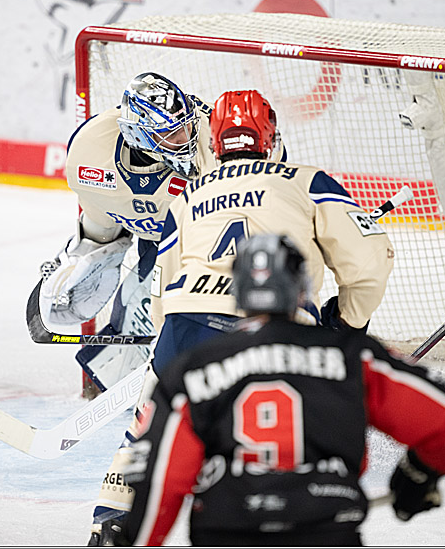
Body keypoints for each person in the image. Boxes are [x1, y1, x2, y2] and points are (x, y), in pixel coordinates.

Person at [87, 88, 396, 543]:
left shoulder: (187, 197)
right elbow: (371, 262)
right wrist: (348, 321)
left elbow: (162, 291)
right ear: (269, 136)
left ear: (214, 141)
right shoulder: (307, 181)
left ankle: (112, 523)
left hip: (186, 325)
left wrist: (165, 355)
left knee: (148, 432)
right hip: (274, 325)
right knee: (283, 433)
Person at [93, 234, 445, 546]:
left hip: (227, 532)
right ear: (300, 288)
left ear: (238, 290)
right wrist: (416, 476)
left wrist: (132, 540)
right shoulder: (352, 357)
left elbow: (164, 478)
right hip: (326, 532)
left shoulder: (193, 369)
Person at [37, 72, 219, 395]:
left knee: (146, 300)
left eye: (187, 127)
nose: (186, 139)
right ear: (139, 134)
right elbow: (102, 217)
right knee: (136, 305)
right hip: (162, 237)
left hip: (213, 241)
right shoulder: (92, 151)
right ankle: (125, 390)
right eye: (171, 134)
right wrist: (87, 251)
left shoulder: (212, 145)